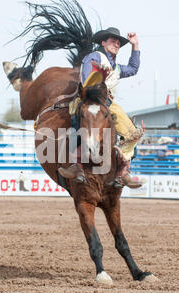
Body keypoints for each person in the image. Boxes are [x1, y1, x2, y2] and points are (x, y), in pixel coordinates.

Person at [58, 27, 144, 188]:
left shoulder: (116, 67)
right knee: (78, 119)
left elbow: (133, 69)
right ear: (103, 42)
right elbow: (87, 79)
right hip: (89, 98)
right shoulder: (95, 56)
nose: (117, 44)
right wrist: (99, 91)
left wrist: (135, 45)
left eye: (119, 42)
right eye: (113, 41)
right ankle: (77, 164)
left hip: (106, 102)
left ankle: (122, 171)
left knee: (132, 133)